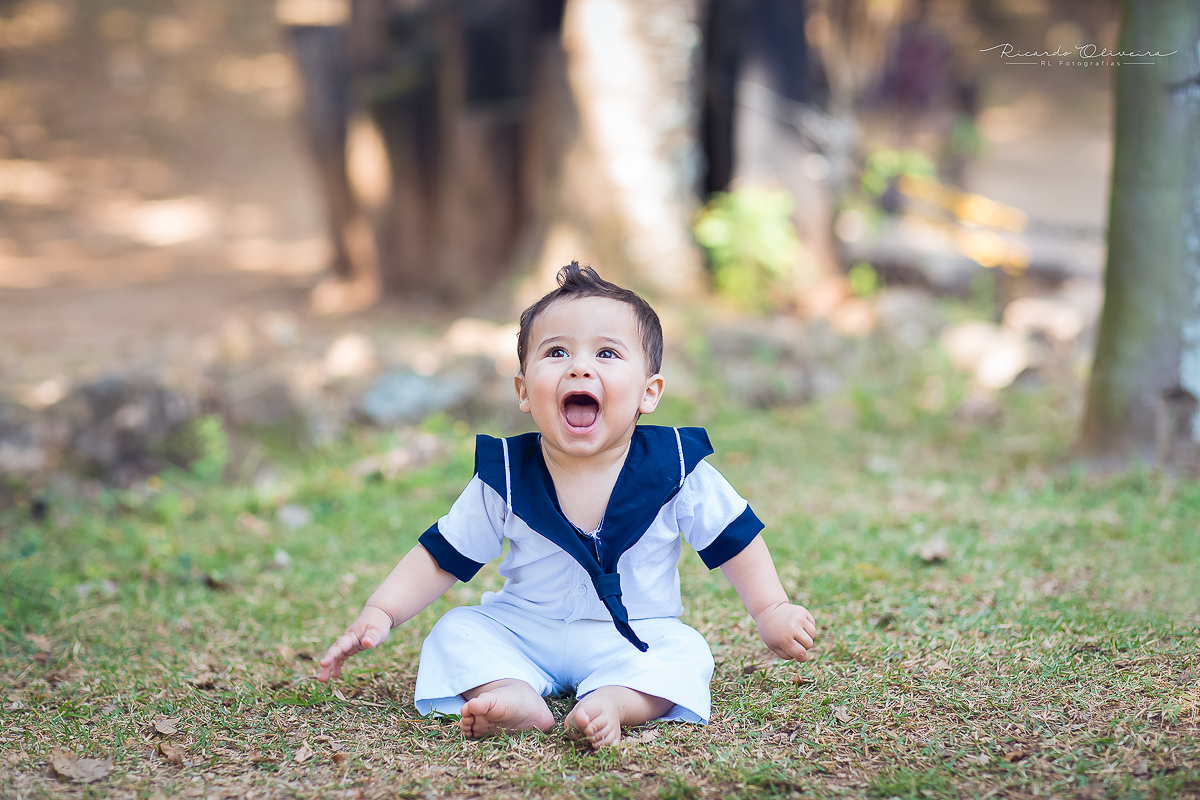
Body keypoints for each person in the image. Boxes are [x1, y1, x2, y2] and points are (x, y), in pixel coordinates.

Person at [317, 262, 817, 747]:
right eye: (556, 353)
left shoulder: (677, 468)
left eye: (607, 354)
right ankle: (509, 693)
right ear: (523, 391)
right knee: (456, 630)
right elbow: (442, 555)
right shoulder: (508, 476)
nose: (580, 366)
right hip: (524, 628)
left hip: (633, 636)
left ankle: (617, 702)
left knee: (687, 651)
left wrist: (771, 608)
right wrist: (381, 610)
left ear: (649, 392)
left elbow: (734, 538)